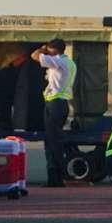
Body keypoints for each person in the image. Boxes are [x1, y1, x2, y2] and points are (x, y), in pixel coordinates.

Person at [31, 38, 77, 188]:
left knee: (52, 142)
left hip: (55, 103)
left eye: (50, 50)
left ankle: (55, 179)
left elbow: (34, 55)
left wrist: (43, 48)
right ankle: (57, 177)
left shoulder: (57, 61)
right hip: (62, 104)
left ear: (55, 50)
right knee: (55, 141)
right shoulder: (70, 63)